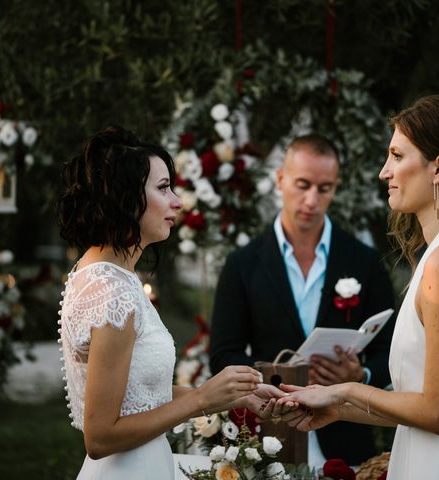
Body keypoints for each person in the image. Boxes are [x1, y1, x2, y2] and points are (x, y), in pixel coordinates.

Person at [277, 95, 439, 479]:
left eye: (397, 157)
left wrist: (346, 390)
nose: (385, 172)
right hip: (431, 452)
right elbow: (424, 404)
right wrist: (335, 408)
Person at [57, 126, 289, 479]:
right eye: (164, 188)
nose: (177, 201)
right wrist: (201, 400)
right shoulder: (111, 291)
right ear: (126, 197)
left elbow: (141, 395)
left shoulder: (109, 275)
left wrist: (233, 397)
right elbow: (100, 436)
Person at [209, 133, 396, 466]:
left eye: (324, 188)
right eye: (302, 184)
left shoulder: (365, 261)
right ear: (280, 180)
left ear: (335, 188)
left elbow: (392, 353)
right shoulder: (242, 263)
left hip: (346, 438)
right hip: (266, 439)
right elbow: (224, 354)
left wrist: (360, 375)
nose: (312, 200)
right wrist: (274, 381)